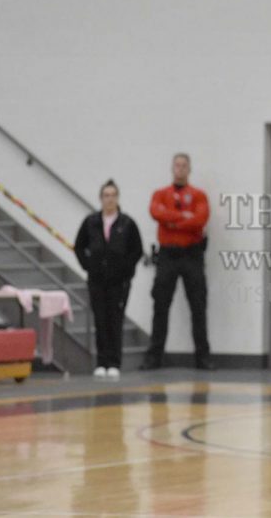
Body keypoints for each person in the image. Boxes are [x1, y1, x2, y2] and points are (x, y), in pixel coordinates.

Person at [141, 154, 214, 371]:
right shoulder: (160, 194)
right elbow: (156, 213)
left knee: (198, 306)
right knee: (160, 305)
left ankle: (203, 357)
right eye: (177, 165)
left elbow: (200, 220)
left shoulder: (199, 195)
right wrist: (184, 217)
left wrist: (171, 220)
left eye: (184, 166)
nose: (180, 169)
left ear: (189, 169)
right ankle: (154, 357)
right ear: (172, 168)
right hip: (168, 255)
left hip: (192, 255)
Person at [74, 179, 143, 380]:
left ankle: (114, 361)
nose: (110, 199)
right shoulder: (91, 222)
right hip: (97, 279)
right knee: (100, 319)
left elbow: (136, 250)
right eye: (106, 195)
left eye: (113, 195)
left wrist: (125, 269)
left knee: (115, 319)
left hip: (118, 281)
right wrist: (88, 265)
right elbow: (79, 246)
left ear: (118, 198)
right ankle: (101, 361)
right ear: (101, 198)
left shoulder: (127, 223)